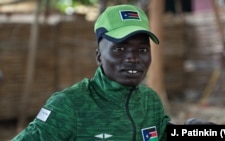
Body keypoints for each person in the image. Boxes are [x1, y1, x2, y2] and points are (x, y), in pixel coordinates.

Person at [12, 4, 171, 141]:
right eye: (120, 49)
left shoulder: (150, 101)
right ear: (99, 57)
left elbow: (161, 134)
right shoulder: (69, 105)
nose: (133, 58)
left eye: (142, 50)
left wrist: (192, 131)